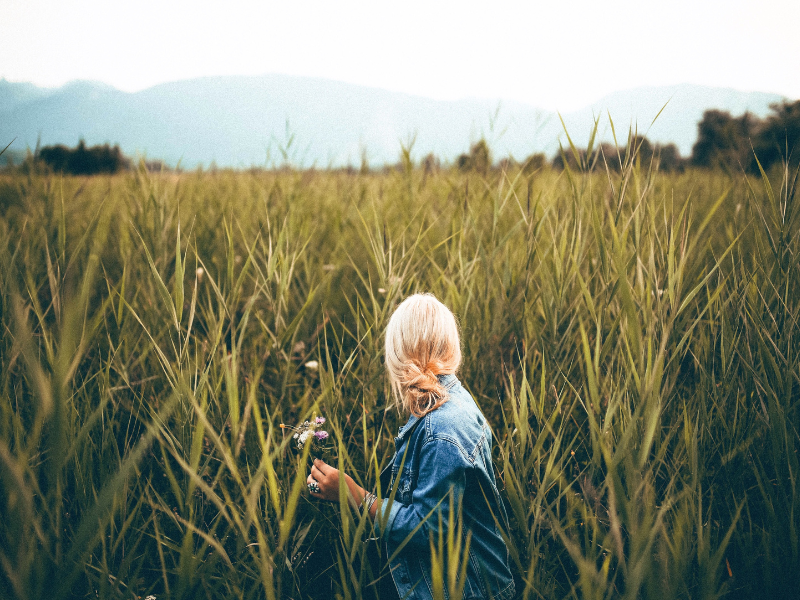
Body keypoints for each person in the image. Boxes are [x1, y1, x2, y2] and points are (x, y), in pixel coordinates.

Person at [307, 293, 516, 600]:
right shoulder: (454, 404)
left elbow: (428, 529)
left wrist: (352, 494)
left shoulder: (440, 427)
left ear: (397, 357)